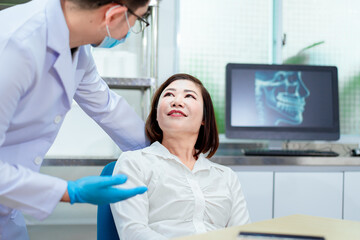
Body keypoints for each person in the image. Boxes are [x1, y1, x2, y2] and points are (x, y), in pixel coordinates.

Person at [0, 0, 152, 238]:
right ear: (113, 16)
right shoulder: (15, 47)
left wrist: (164, 150)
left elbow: (107, 107)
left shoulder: (77, 48)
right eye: (139, 20)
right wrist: (69, 191)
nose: (134, 29)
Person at [110, 73, 251, 240]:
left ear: (204, 118)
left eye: (189, 96)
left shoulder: (226, 177)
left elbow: (244, 236)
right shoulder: (134, 163)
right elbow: (133, 232)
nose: (176, 101)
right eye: (169, 94)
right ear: (157, 114)